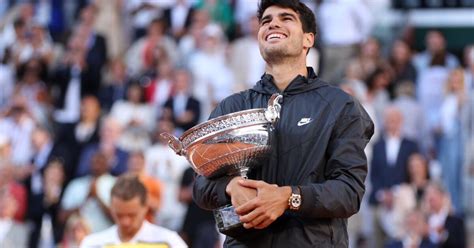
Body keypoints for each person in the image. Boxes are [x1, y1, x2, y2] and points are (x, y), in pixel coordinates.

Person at [192, 0, 374, 247]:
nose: (273, 23)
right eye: (265, 21)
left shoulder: (339, 106)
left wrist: (289, 197)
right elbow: (202, 185)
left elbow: (348, 193)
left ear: (308, 39)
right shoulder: (232, 107)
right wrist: (230, 186)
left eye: (286, 18)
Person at [80, 175, 187, 247]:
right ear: (111, 207)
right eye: (119, 215)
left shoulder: (169, 241)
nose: (125, 222)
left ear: (145, 207)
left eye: (132, 215)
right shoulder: (92, 244)